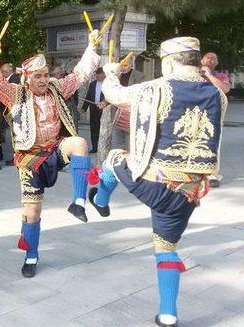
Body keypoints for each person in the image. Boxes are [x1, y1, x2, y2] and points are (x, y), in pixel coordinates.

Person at [90, 37, 227, 327]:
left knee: (115, 157)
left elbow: (113, 94)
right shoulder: (218, 96)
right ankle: (168, 315)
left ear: (169, 60)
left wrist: (111, 71)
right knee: (165, 247)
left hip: (154, 184)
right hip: (189, 192)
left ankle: (100, 199)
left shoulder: (157, 88)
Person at [0, 29, 101, 278]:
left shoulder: (57, 88)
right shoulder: (15, 93)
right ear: (27, 78)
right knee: (32, 212)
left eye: (46, 75)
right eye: (38, 76)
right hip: (30, 158)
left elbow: (80, 74)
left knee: (80, 143)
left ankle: (78, 203)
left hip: (55, 148)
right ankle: (31, 255)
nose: (44, 80)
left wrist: (92, 46)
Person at [98, 54, 144, 162]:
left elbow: (130, 95)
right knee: (117, 143)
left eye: (126, 65)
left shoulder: (139, 76)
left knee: (130, 144)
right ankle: (117, 165)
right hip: (117, 115)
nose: (123, 68)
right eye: (121, 66)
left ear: (131, 65)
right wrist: (105, 102)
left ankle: (130, 165)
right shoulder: (116, 76)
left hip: (131, 116)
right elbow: (113, 93)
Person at [200, 52, 230, 188]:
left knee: (212, 144)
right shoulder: (193, 74)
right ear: (201, 60)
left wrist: (209, 76)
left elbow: (225, 89)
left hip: (213, 115)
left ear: (217, 63)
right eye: (208, 57)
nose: (211, 60)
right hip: (192, 113)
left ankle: (212, 174)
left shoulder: (221, 76)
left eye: (214, 58)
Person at [82, 68, 108, 153]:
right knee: (94, 129)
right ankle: (94, 148)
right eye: (96, 74)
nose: (97, 76)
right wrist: (84, 108)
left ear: (104, 74)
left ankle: (103, 148)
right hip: (94, 109)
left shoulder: (108, 84)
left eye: (99, 74)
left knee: (103, 129)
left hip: (104, 109)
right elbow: (88, 96)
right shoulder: (92, 84)